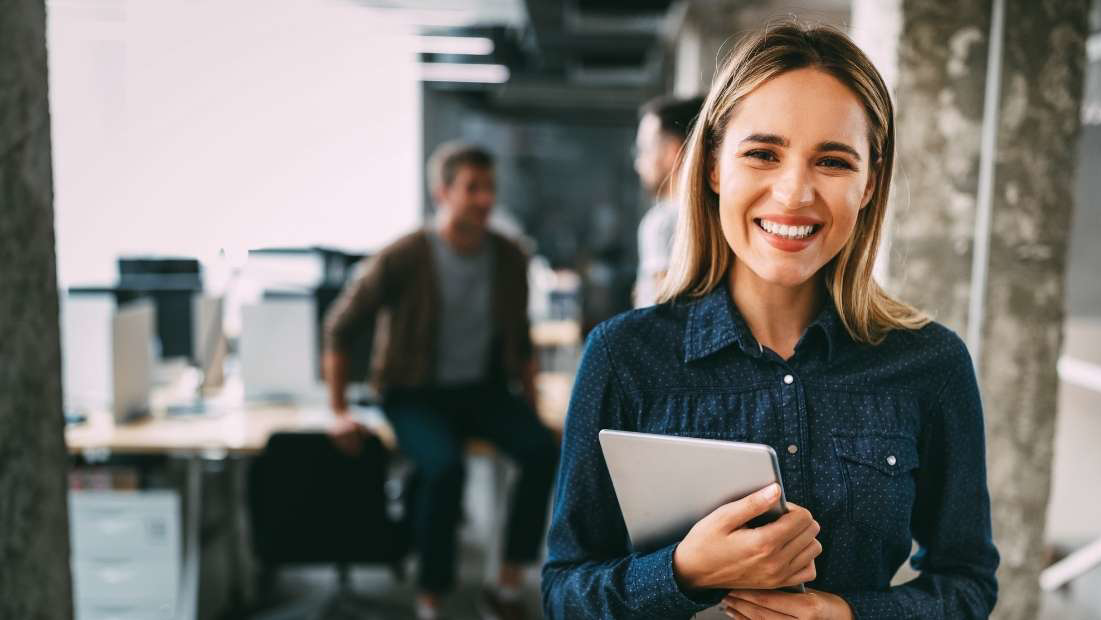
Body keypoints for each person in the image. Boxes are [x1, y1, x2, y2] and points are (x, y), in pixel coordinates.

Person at [542, 21, 999, 620]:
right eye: (762, 153)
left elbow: (967, 584)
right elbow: (563, 593)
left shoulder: (929, 364)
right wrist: (682, 573)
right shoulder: (624, 355)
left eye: (832, 162)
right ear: (711, 168)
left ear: (868, 185)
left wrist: (848, 615)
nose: (792, 194)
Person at [324, 142, 558, 620]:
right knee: (445, 467)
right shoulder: (404, 255)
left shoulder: (509, 257)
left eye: (489, 188)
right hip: (412, 392)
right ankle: (431, 596)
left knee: (541, 450)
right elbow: (340, 328)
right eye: (472, 188)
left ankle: (508, 584)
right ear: (442, 193)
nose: (484, 199)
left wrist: (532, 408)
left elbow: (520, 343)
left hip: (481, 389)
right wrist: (338, 411)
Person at [633, 94, 705, 308]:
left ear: (673, 152)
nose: (638, 163)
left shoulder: (661, 222)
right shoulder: (718, 215)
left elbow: (660, 309)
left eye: (644, 150)